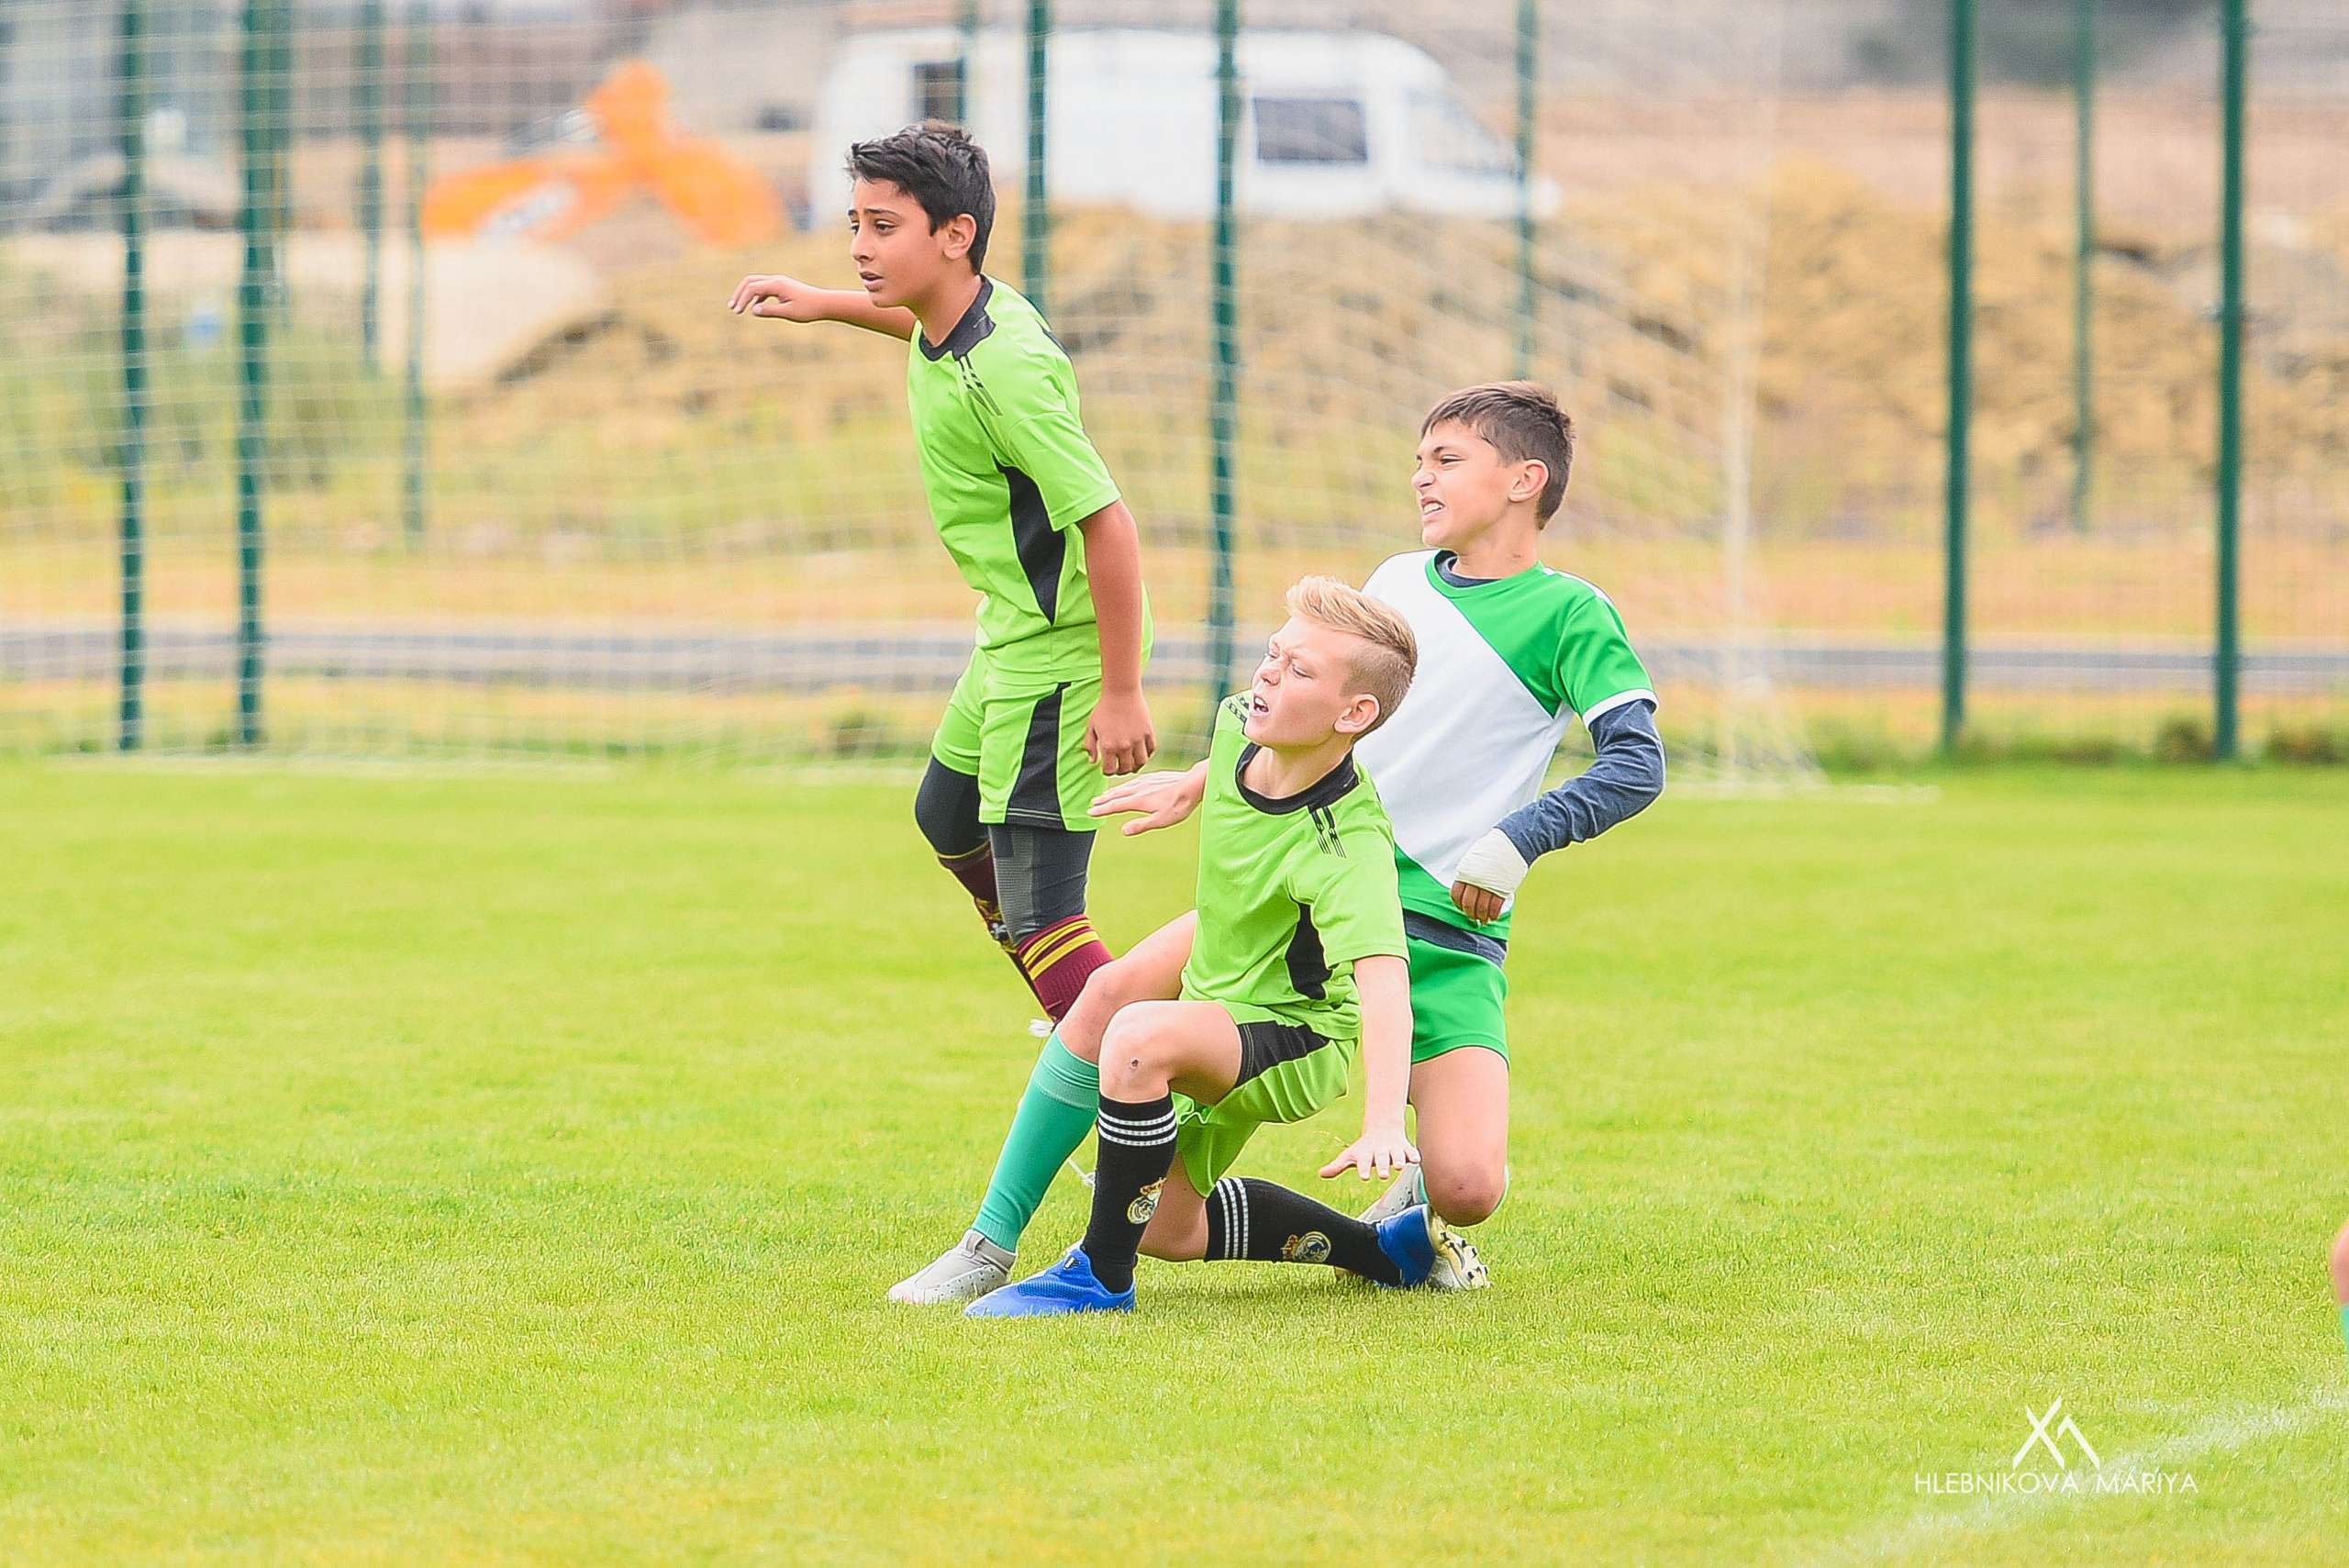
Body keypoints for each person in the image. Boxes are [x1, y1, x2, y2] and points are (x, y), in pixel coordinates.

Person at [1091, 382, 1664, 1267]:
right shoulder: (1396, 581)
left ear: (1525, 480)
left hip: (1442, 930)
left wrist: (1514, 841)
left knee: (1469, 1186)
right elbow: (1321, 714)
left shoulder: (1570, 613)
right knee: (1120, 1027)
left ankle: (1412, 1214)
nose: (1420, 479)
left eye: (1446, 460)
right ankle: (1000, 1237)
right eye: (1418, 461)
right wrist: (1208, 777)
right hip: (1307, 916)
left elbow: (1637, 763)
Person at [729, 120, 1154, 1033]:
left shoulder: (1004, 370)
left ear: (953, 234)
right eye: (855, 223)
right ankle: (1076, 997)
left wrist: (1120, 690)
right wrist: (824, 301)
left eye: (883, 227)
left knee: (1045, 912)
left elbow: (1107, 521)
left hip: (1061, 653)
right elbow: (920, 325)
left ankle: (1149, 1092)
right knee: (945, 814)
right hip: (1008, 636)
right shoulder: (963, 316)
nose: (857, 247)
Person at [963, 577, 1472, 1316]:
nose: (1268, 672)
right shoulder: (1241, 719)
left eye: (1299, 670)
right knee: (1169, 1227)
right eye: (1274, 652)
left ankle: (1098, 1279)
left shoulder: (1347, 845)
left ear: (1354, 713)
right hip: (1226, 972)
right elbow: (1239, 755)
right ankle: (1385, 1251)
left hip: (1297, 1032)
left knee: (1133, 1036)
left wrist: (1385, 1120)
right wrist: (1195, 785)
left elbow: (1384, 981)